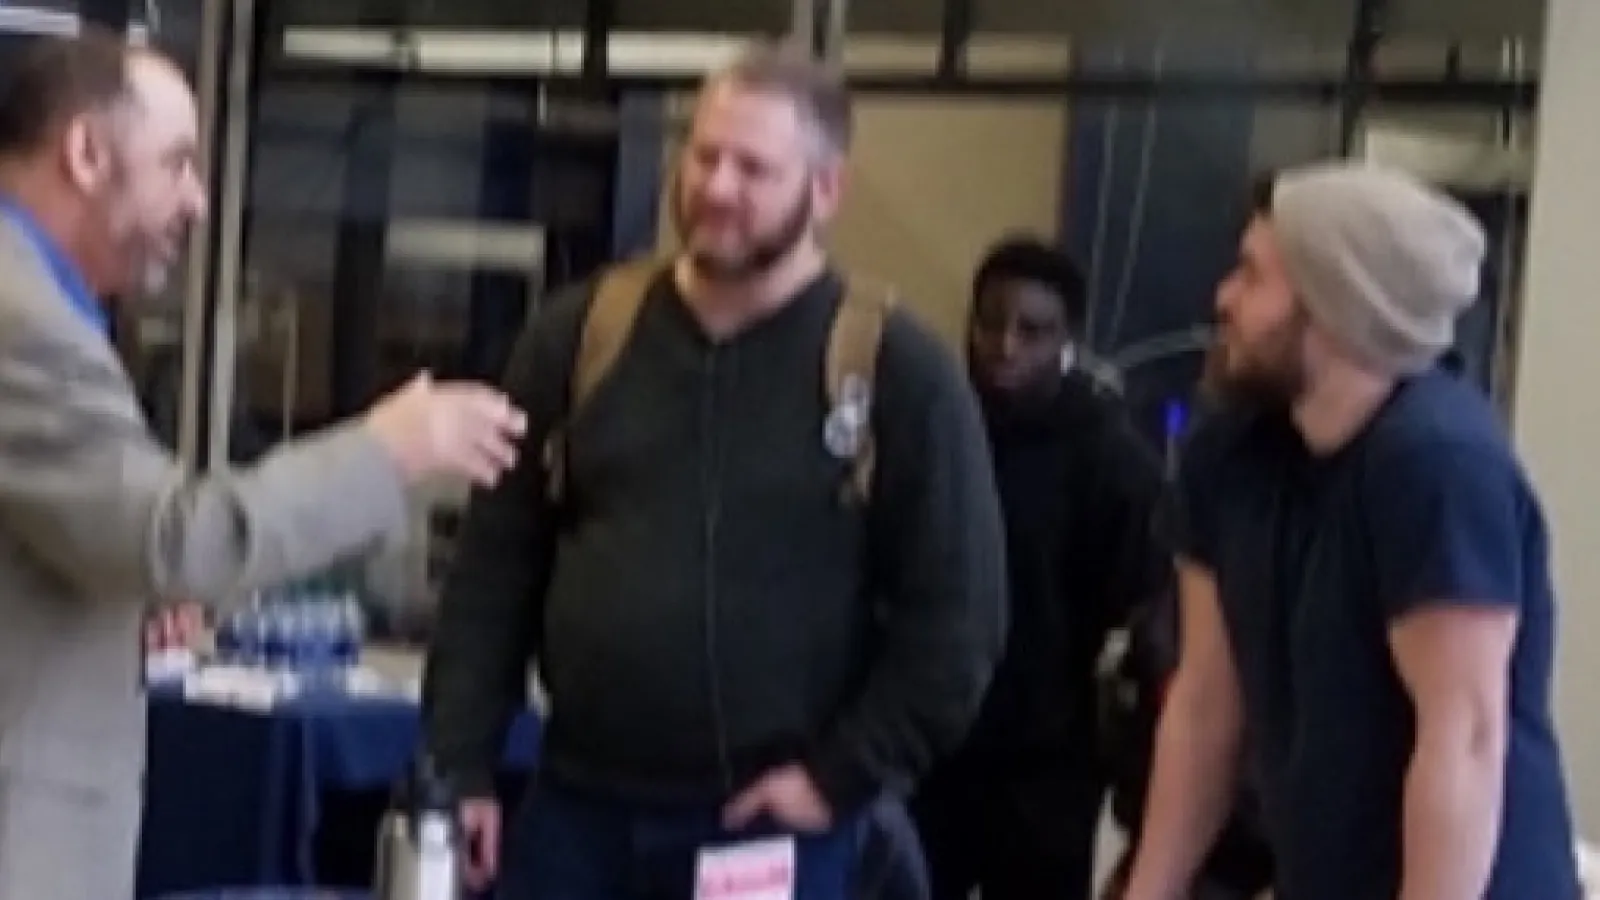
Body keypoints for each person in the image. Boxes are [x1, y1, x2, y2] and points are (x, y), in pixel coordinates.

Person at [422, 43, 1007, 900]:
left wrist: (839, 776)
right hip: (577, 815)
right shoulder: (579, 335)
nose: (718, 187)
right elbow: (494, 571)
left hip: (771, 828)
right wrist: (461, 764)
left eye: (755, 169)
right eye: (704, 155)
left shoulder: (895, 372)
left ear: (826, 190)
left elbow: (960, 621)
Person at [0, 32, 525, 900]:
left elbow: (88, 549)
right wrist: (387, 449)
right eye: (177, 164)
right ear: (87, 153)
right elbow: (170, 539)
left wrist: (117, 606)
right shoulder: (24, 324)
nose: (199, 201)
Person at [1119, 162, 1580, 900]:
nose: (1223, 298)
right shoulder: (1234, 450)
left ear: (1335, 308)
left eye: (1253, 276)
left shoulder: (1438, 464)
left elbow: (1463, 741)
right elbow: (1207, 704)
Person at [909, 236, 1167, 900]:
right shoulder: (936, 425)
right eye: (990, 322)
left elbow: (1143, 607)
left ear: (1067, 340)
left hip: (1046, 761)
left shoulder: (1110, 457)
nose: (1005, 346)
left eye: (1032, 330)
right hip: (932, 747)